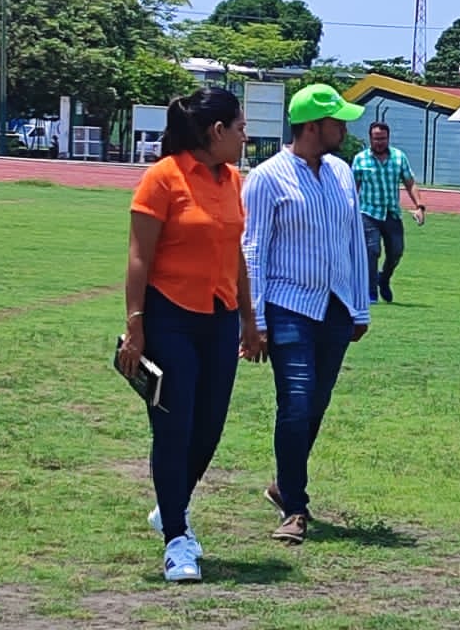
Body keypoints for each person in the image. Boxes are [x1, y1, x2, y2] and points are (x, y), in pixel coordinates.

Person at [119, 87, 261, 582]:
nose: (245, 137)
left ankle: (171, 503)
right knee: (174, 427)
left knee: (209, 427)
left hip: (220, 317)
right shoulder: (163, 178)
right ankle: (177, 539)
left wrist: (248, 318)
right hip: (169, 316)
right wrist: (135, 325)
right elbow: (139, 256)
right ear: (216, 131)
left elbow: (235, 253)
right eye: (240, 128)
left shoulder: (234, 180)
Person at [243, 84, 372, 544]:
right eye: (338, 122)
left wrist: (360, 305)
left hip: (336, 306)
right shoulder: (267, 178)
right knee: (296, 403)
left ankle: (283, 483)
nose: (345, 129)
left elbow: (354, 240)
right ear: (313, 126)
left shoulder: (342, 173)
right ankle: (295, 507)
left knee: (316, 403)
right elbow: (252, 250)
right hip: (289, 305)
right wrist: (255, 320)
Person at [351, 121, 426, 304]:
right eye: (376, 139)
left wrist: (419, 206)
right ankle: (370, 293)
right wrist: (349, 210)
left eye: (383, 139)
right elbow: (353, 187)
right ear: (370, 138)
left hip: (391, 213)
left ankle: (383, 279)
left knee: (396, 251)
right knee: (372, 251)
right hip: (368, 212)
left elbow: (410, 183)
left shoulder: (399, 158)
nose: (379, 143)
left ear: (388, 138)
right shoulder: (360, 160)